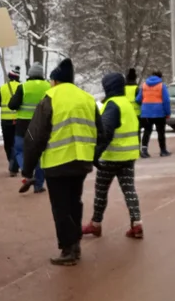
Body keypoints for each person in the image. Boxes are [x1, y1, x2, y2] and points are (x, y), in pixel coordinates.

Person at [21, 58, 105, 266]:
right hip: (81, 161)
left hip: (57, 161)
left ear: (56, 81)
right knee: (75, 202)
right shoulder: (87, 98)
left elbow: (35, 135)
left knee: (61, 206)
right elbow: (100, 132)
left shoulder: (51, 97)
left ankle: (68, 250)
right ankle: (74, 245)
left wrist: (28, 168)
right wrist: (94, 156)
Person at [82, 72, 144, 239]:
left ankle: (96, 224)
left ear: (108, 87)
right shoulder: (126, 104)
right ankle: (137, 224)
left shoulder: (112, 105)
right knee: (129, 190)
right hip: (129, 156)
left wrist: (95, 154)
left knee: (101, 191)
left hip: (111, 157)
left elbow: (106, 133)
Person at [8, 62, 47, 194]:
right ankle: (38, 185)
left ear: (30, 74)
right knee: (41, 155)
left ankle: (27, 174)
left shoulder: (23, 87)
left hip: (23, 125)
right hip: (42, 125)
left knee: (20, 151)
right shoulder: (49, 87)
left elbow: (12, 105)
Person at [0, 66, 22, 176]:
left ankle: (11, 162)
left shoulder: (2, 88)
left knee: (8, 143)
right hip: (18, 119)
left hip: (5, 121)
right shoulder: (21, 87)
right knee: (17, 143)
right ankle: (15, 165)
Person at [137, 70, 171, 158]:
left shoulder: (144, 85)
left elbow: (138, 99)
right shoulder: (161, 86)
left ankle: (144, 150)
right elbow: (166, 100)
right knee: (161, 132)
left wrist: (144, 105)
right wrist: (167, 113)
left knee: (147, 132)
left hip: (146, 113)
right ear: (160, 77)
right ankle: (163, 151)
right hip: (159, 112)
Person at [124, 67, 142, 140]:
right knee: (137, 133)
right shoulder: (137, 89)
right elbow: (140, 100)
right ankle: (138, 148)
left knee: (127, 132)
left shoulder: (123, 89)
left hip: (126, 113)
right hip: (137, 114)